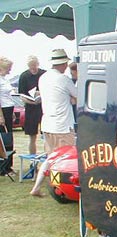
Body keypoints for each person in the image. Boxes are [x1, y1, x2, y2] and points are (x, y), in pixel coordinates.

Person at [30, 49, 77, 197]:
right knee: (64, 161)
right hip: (62, 125)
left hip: (48, 123)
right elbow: (79, 95)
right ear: (63, 64)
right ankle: (60, 188)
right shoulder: (64, 79)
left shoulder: (43, 78)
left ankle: (39, 186)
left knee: (51, 158)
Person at [18, 55, 46, 155]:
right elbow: (21, 95)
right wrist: (32, 101)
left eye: (34, 66)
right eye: (31, 67)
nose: (33, 68)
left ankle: (47, 159)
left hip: (43, 107)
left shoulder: (44, 74)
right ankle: (32, 161)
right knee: (32, 136)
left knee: (46, 135)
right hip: (31, 107)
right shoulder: (24, 76)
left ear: (38, 64)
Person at [0, 56, 15, 175]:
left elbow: (8, 96)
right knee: (5, 138)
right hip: (3, 110)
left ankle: (9, 165)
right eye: (8, 68)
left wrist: (13, 112)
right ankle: (4, 167)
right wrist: (1, 116)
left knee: (10, 137)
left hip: (9, 109)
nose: (10, 71)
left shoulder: (5, 79)